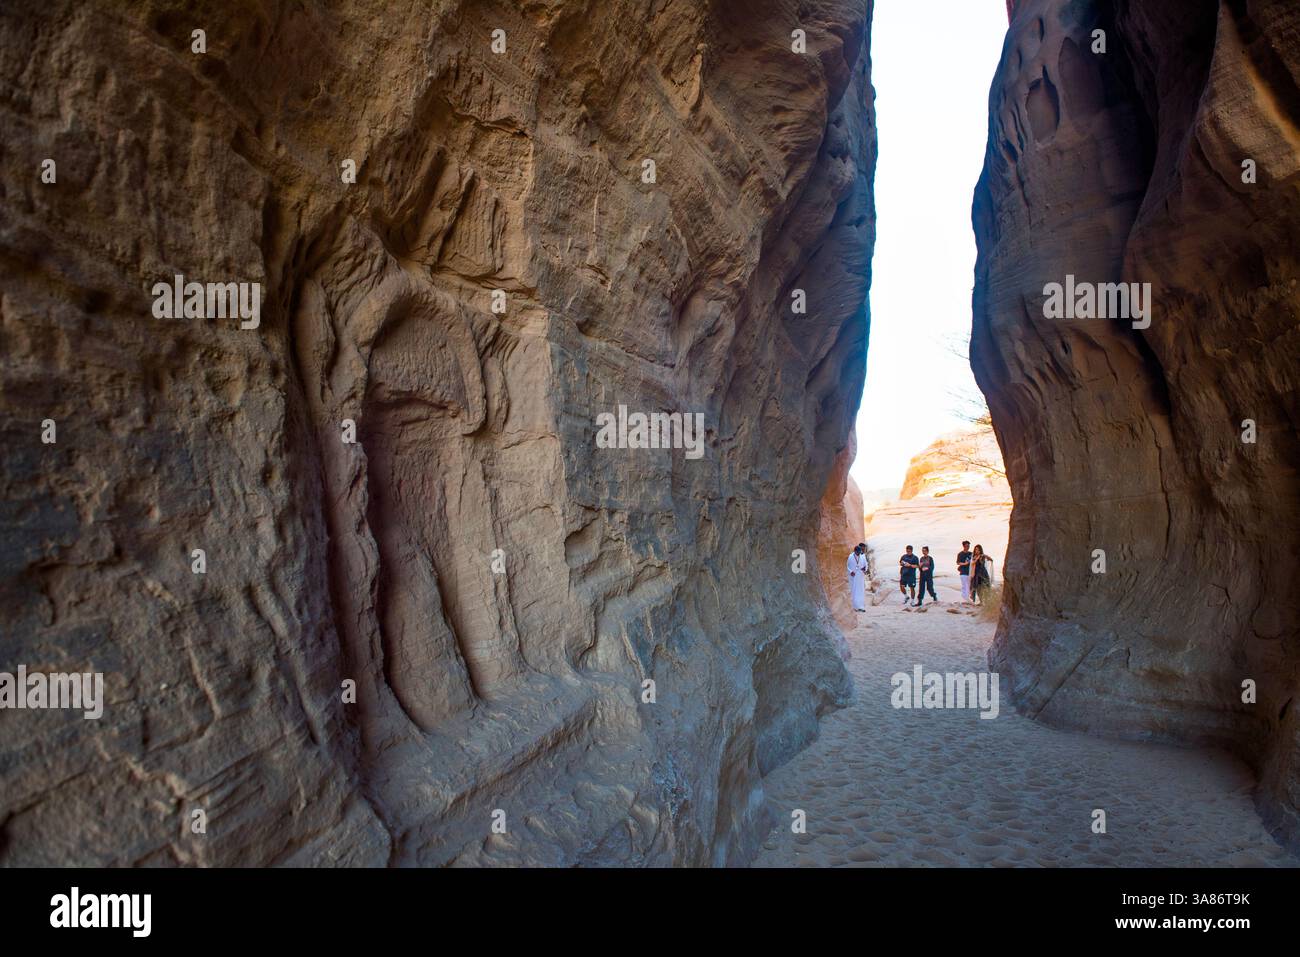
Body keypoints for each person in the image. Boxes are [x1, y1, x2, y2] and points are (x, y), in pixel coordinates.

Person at [846, 544, 868, 612]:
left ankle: (861, 607)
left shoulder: (862, 556)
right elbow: (847, 566)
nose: (858, 554)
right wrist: (851, 571)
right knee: (854, 591)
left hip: (860, 576)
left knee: (861, 591)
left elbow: (866, 564)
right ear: (854, 551)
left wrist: (865, 568)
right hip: (853, 577)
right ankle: (855, 606)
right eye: (857, 552)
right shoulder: (850, 557)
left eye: (859, 552)